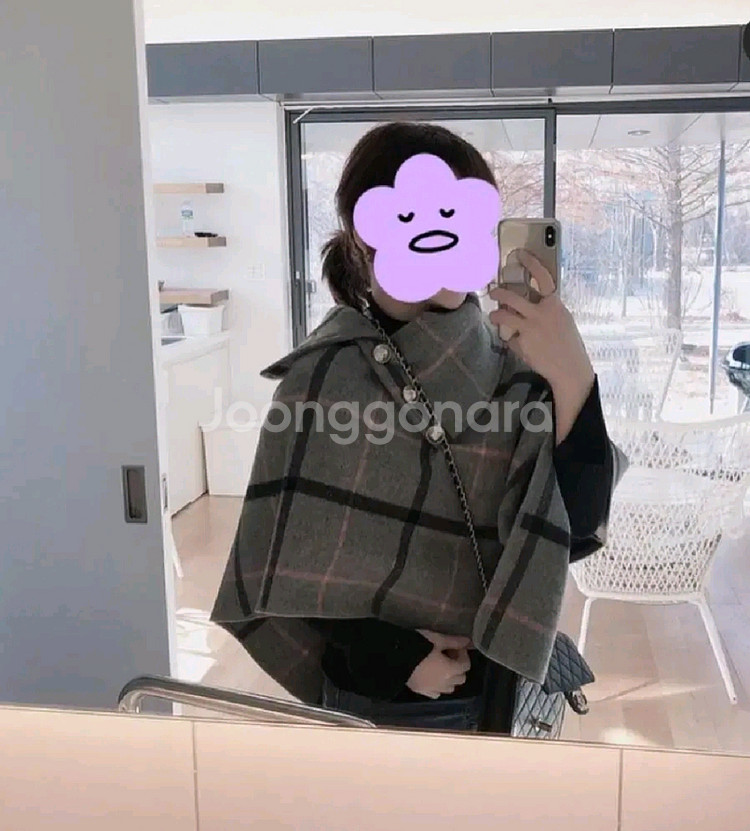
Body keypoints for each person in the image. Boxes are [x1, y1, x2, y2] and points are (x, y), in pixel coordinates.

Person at [211, 122, 627, 734]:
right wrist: (394, 656)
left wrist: (573, 378)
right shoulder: (320, 378)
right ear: (368, 233)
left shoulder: (519, 373)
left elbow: (578, 527)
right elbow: (288, 566)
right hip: (373, 699)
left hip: (494, 692)